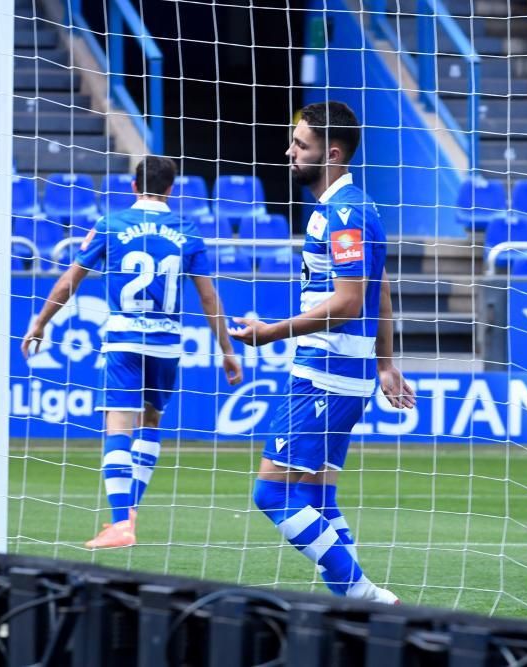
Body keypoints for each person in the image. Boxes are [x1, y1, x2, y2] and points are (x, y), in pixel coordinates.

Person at [229, 101, 415, 604]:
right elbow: (381, 288)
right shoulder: (350, 207)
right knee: (316, 494)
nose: (289, 152)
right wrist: (385, 363)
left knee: (272, 493)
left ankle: (363, 595)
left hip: (326, 373)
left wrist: (271, 334)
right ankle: (352, 600)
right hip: (346, 371)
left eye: (300, 145)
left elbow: (353, 300)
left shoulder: (343, 212)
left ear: (331, 154)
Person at [21, 156, 243, 549]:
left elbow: (69, 281)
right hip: (168, 344)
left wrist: (40, 323)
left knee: (118, 427)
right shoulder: (187, 231)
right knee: (151, 422)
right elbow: (208, 296)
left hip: (123, 340)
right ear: (172, 189)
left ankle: (121, 521)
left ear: (134, 186)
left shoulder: (111, 225)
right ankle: (131, 508)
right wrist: (227, 348)